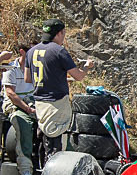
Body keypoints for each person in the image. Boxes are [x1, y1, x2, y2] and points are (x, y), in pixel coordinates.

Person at [24, 19, 94, 162]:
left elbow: (27, 78)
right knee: (56, 143)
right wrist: (87, 66)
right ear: (60, 33)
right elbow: (78, 76)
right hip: (56, 103)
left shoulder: (31, 51)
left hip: (39, 103)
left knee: (43, 140)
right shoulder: (59, 51)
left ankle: (42, 173)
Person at [2, 43, 37, 175]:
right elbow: (10, 93)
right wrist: (27, 109)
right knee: (22, 124)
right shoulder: (12, 68)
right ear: (23, 52)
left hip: (32, 102)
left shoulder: (37, 69)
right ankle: (25, 167)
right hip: (14, 103)